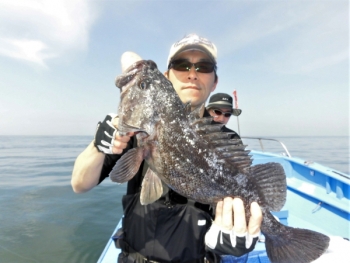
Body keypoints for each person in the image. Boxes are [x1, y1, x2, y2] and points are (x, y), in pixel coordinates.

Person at [71, 34, 263, 262]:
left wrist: (240, 234)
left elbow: (243, 201)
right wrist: (97, 146)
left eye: (204, 66)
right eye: (182, 65)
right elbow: (79, 185)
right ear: (166, 77)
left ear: (214, 82)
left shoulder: (227, 140)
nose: (192, 74)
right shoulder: (135, 131)